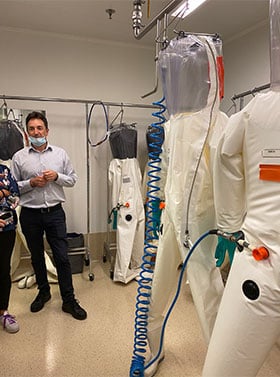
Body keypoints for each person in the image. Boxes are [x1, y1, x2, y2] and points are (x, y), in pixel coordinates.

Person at [11, 111, 87, 321]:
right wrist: (30, 184)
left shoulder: (60, 154)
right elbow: (12, 187)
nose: (36, 132)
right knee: (36, 257)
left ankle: (69, 300)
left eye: (39, 128)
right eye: (32, 129)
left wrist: (57, 176)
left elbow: (72, 179)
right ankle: (43, 292)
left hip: (54, 213)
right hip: (30, 215)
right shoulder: (19, 157)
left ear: (47, 131)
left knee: (62, 257)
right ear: (27, 134)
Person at [0, 163, 20, 333]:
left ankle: (3, 312)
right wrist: (3, 192)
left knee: (3, 270)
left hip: (6, 229)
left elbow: (15, 197)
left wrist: (4, 193)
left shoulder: (4, 171)